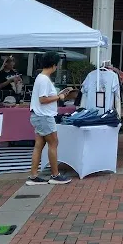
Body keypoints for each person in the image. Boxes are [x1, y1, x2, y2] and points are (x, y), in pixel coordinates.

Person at [26, 52, 73, 185]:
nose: (57, 67)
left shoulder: (41, 78)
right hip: (44, 117)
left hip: (38, 116)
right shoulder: (44, 79)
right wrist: (59, 97)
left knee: (39, 146)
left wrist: (58, 95)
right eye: (56, 65)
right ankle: (55, 175)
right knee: (53, 143)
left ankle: (34, 176)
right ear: (53, 65)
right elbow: (43, 99)